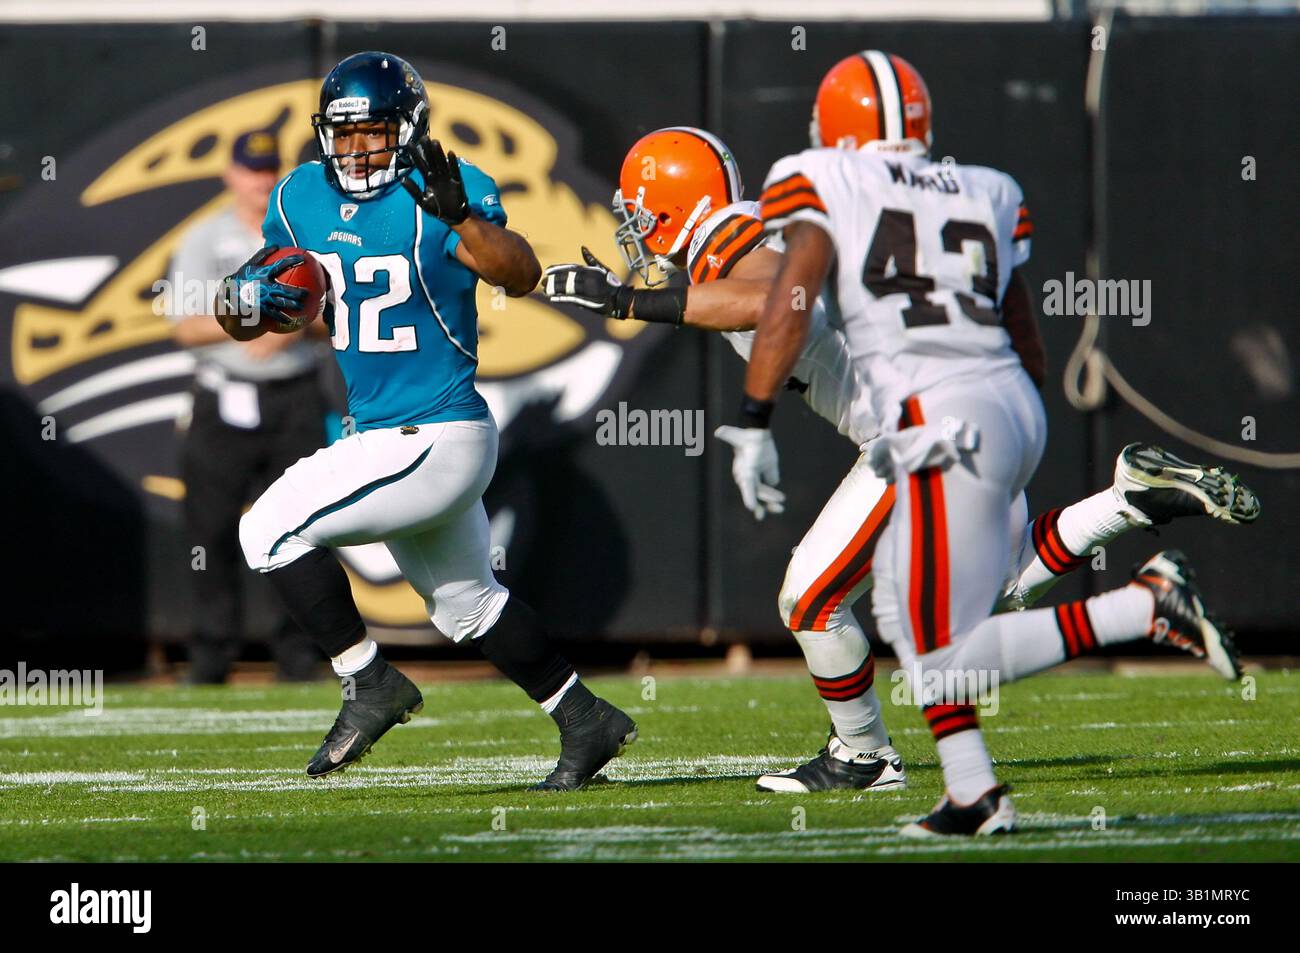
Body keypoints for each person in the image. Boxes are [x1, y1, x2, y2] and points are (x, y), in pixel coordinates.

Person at [542, 122, 1259, 799]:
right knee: (1000, 588)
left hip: (918, 425)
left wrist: (630, 298)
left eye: (638, 213)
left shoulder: (729, 232)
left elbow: (765, 299)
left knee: (811, 596)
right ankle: (1131, 502)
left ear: (674, 207)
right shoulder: (754, 233)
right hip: (969, 406)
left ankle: (861, 754)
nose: (632, 230)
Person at [736, 50, 1260, 835]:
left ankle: (1143, 607)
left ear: (837, 128)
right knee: (937, 622)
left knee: (930, 645)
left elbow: (790, 298)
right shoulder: (983, 187)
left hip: (934, 417)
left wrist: (750, 424)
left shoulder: (826, 179)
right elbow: (1025, 331)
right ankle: (973, 792)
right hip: (1010, 407)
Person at [214, 51, 636, 789]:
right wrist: (240, 306)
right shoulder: (298, 197)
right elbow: (272, 311)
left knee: (266, 528)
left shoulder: (447, 187)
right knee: (469, 607)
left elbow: (520, 273)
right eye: (342, 136)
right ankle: (585, 718)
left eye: (372, 133)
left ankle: (367, 679)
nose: (356, 150)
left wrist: (460, 218)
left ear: (406, 129)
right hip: (385, 432)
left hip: (436, 431)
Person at [168, 130, 328, 684]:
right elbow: (184, 325)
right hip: (224, 394)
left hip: (293, 396)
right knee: (210, 530)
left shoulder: (301, 233)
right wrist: (245, 318)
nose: (260, 181)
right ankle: (212, 654)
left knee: (301, 527)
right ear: (230, 174)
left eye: (268, 170)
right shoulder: (204, 236)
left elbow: (341, 317)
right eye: (250, 170)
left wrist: (288, 329)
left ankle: (301, 654)